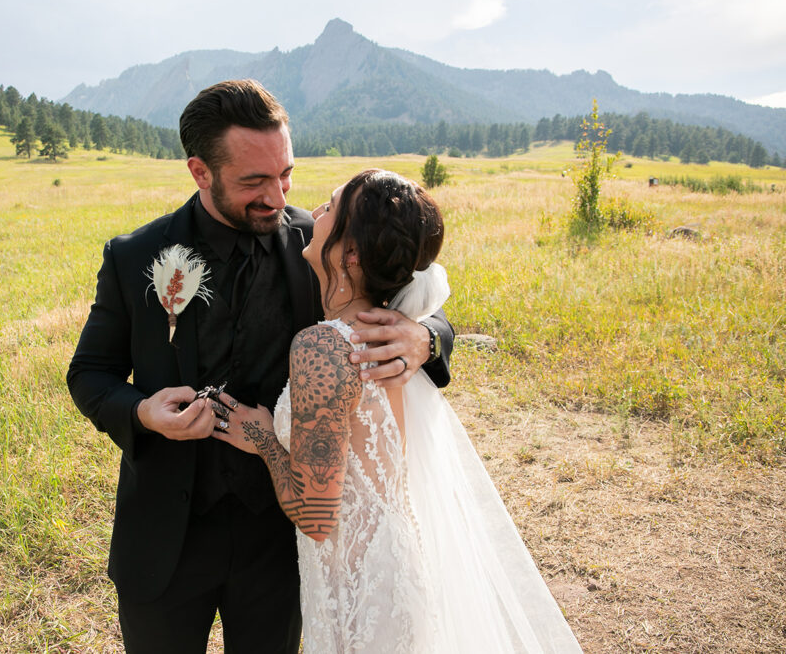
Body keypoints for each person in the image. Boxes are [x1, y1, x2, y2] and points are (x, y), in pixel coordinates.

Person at [66, 81, 456, 653]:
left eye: (286, 174)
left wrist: (425, 337)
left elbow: (417, 296)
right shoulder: (136, 257)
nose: (277, 196)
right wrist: (144, 413)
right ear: (201, 172)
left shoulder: (321, 245)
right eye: (254, 182)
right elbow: (89, 375)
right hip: (168, 537)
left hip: (284, 539)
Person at [215, 169, 582, 652]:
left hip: (361, 584)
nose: (315, 214)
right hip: (385, 562)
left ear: (349, 254)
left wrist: (262, 438)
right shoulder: (387, 332)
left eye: (328, 208)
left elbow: (316, 515)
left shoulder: (323, 348)